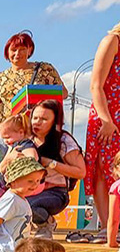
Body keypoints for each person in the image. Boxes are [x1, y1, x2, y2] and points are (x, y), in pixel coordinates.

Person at [0, 31, 68, 168]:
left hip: (36, 129)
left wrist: (38, 95)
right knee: (5, 170)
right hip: (6, 133)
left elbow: (63, 93)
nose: (18, 54)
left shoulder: (45, 69)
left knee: (34, 167)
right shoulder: (0, 77)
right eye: (14, 50)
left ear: (30, 50)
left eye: (22, 49)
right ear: (7, 52)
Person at [19, 100, 86, 238]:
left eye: (44, 119)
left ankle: (46, 223)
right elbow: (3, 168)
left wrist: (51, 163)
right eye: (35, 118)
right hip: (29, 189)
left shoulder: (63, 140)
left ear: (55, 121)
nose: (37, 122)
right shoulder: (26, 139)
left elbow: (81, 172)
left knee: (27, 205)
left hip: (55, 192)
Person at [86, 22, 120, 242]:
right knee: (104, 167)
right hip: (107, 113)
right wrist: (106, 120)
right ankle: (106, 227)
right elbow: (96, 85)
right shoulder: (113, 41)